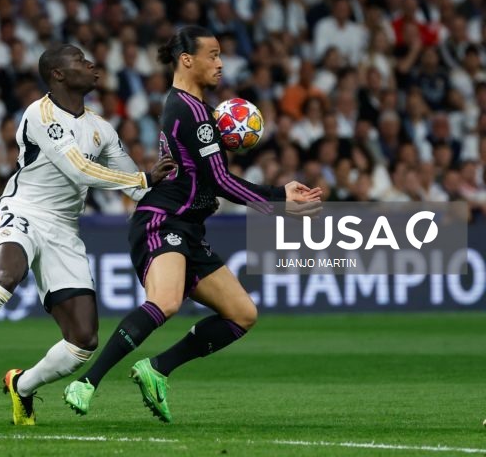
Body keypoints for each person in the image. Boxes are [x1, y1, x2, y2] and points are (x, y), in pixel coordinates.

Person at [63, 26, 322, 422]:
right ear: (187, 60)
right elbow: (220, 181)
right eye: (213, 55)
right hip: (162, 219)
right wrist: (278, 199)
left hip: (189, 228)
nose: (220, 63)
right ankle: (87, 382)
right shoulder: (193, 112)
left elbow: (209, 179)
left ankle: (158, 368)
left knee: (242, 313)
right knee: (166, 301)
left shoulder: (194, 108)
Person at [0, 44, 175, 425]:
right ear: (58, 74)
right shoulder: (40, 113)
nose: (91, 64)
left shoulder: (101, 129)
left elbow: (138, 189)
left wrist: (181, 178)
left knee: (83, 342)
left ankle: (21, 386)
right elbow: (78, 169)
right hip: (22, 210)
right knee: (7, 276)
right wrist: (142, 177)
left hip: (63, 228)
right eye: (80, 60)